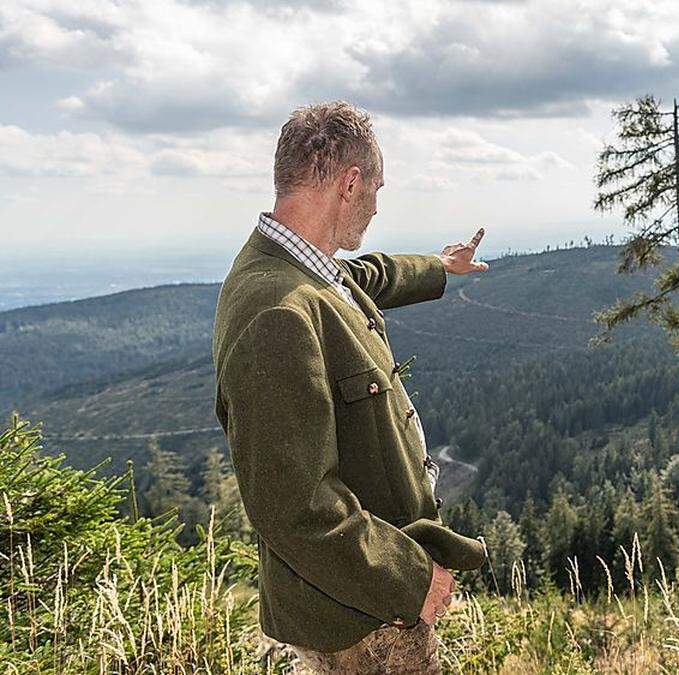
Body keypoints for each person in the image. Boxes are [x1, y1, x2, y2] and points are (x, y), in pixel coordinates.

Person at [212, 100, 489, 674]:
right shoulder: (276, 311)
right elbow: (296, 507)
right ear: (350, 182)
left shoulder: (302, 271)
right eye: (377, 188)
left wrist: (440, 266)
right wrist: (409, 580)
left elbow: (367, 276)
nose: (378, 205)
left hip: (364, 602)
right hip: (361, 619)